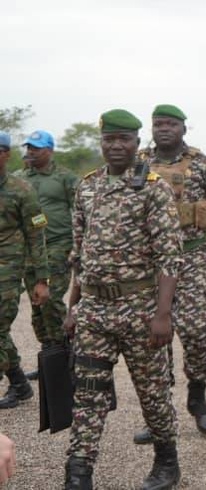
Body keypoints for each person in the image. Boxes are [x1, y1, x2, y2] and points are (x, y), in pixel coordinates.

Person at [63, 109, 181, 490]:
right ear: (101, 142)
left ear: (137, 143)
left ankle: (167, 462)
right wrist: (72, 307)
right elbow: (79, 253)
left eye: (123, 139)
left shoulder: (152, 187)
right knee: (88, 395)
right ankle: (78, 473)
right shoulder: (87, 187)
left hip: (140, 310)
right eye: (109, 139)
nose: (115, 146)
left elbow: (168, 256)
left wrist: (163, 315)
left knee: (152, 393)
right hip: (94, 311)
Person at [133, 104, 206, 443]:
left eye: (171, 124)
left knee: (197, 330)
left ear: (183, 129)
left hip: (191, 258)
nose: (164, 129)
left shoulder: (204, 165)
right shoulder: (138, 163)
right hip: (148, 264)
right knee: (152, 338)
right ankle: (158, 414)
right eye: (158, 123)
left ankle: (197, 394)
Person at [12, 130, 79, 388]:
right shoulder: (18, 178)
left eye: (36, 148)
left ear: (49, 150)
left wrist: (76, 247)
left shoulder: (64, 178)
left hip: (58, 245)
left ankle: (67, 358)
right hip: (31, 251)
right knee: (38, 308)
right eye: (28, 147)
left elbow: (81, 210)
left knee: (51, 303)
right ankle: (49, 360)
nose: (30, 152)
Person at [0, 130, 49, 410]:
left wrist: (42, 279)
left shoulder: (22, 190)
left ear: (6, 154)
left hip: (8, 269)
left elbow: (37, 233)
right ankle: (19, 383)